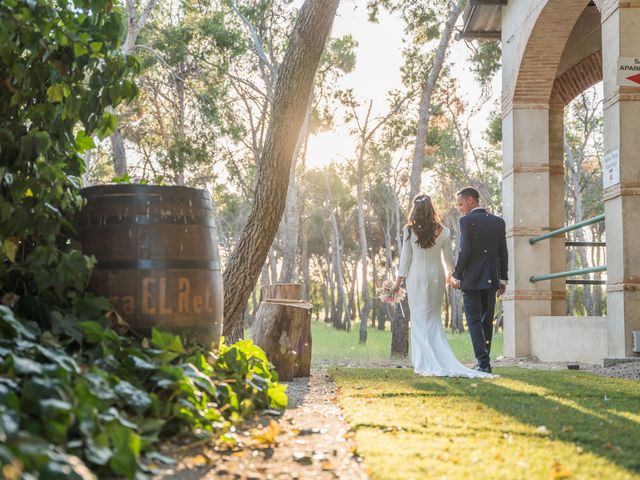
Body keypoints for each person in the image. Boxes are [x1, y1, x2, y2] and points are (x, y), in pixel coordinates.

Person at [392, 193, 493, 378]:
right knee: (432, 318)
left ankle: (423, 362)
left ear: (415, 209)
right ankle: (435, 359)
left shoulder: (409, 230)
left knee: (419, 319)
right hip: (436, 277)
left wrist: (397, 283)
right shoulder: (444, 231)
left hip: (416, 276)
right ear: (432, 208)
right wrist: (452, 276)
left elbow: (406, 259)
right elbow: (448, 260)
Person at [448, 186, 508, 374]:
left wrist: (456, 274)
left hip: (471, 280)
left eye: (460, 204)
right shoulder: (498, 222)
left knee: (474, 321)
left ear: (470, 201)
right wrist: (503, 279)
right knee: (486, 321)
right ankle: (485, 362)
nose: (459, 208)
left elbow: (464, 252)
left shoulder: (466, 221)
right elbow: (503, 252)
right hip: (491, 279)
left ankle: (483, 363)